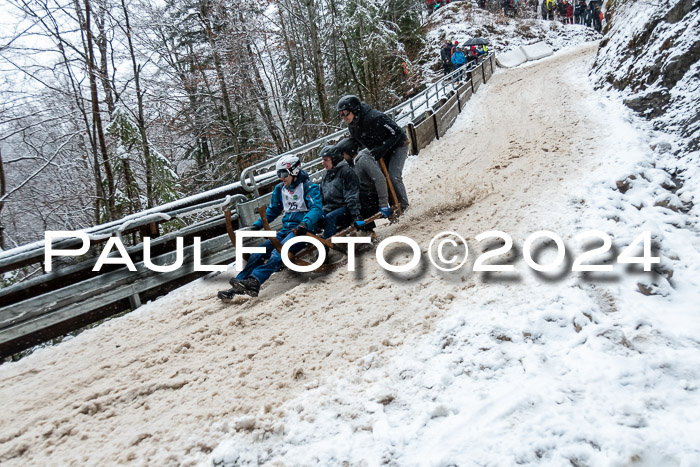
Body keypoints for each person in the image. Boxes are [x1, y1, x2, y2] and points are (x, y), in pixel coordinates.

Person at [217, 155, 323, 299]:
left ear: (294, 171)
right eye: (279, 174)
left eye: (284, 174)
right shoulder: (280, 189)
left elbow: (316, 208)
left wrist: (305, 223)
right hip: (286, 230)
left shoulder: (309, 187)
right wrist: (257, 226)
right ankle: (239, 284)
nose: (281, 178)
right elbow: (273, 210)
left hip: (303, 231)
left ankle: (255, 281)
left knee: (278, 252)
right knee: (258, 253)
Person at [336, 95, 410, 211]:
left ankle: (404, 206)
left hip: (398, 145)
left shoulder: (374, 117)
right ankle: (395, 209)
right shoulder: (352, 127)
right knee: (382, 179)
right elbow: (358, 143)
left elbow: (397, 132)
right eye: (340, 114)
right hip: (379, 151)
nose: (343, 117)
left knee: (393, 176)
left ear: (355, 110)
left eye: (345, 113)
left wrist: (383, 146)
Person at [337, 138, 391, 222]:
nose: (342, 157)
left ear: (349, 151)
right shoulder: (350, 165)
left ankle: (367, 228)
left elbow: (379, 179)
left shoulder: (363, 160)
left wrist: (383, 204)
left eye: (343, 154)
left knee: (358, 201)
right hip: (364, 197)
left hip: (371, 198)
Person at [318, 145, 365, 238]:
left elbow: (351, 196)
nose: (323, 163)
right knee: (316, 216)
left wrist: (356, 216)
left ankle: (326, 243)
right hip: (331, 208)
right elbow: (321, 198)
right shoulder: (326, 176)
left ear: (334, 159)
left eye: (326, 160)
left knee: (330, 217)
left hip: (346, 209)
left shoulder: (346, 172)